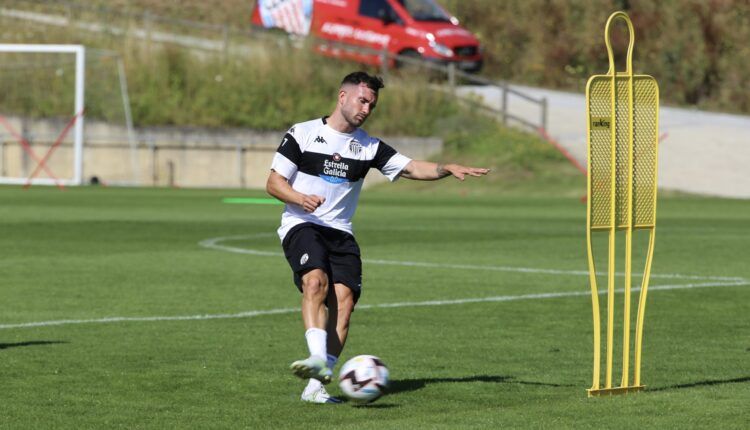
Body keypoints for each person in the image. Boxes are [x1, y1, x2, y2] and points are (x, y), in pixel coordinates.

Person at [266, 71, 490, 403]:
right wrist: (300, 199)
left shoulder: (368, 146)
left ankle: (316, 386)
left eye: (372, 104)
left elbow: (412, 167)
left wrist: (445, 168)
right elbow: (273, 183)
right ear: (343, 97)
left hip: (340, 231)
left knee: (345, 303)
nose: (367, 108)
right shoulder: (303, 133)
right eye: (362, 100)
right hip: (303, 223)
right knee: (316, 282)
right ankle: (316, 359)